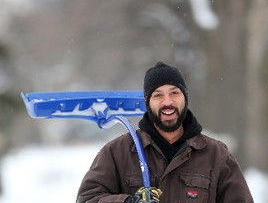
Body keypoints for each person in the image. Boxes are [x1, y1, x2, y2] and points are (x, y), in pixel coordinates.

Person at [76, 62, 254, 203]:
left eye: (174, 93)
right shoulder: (118, 152)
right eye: (158, 95)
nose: (167, 102)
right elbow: (87, 199)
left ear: (185, 98)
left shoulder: (216, 155)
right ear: (148, 103)